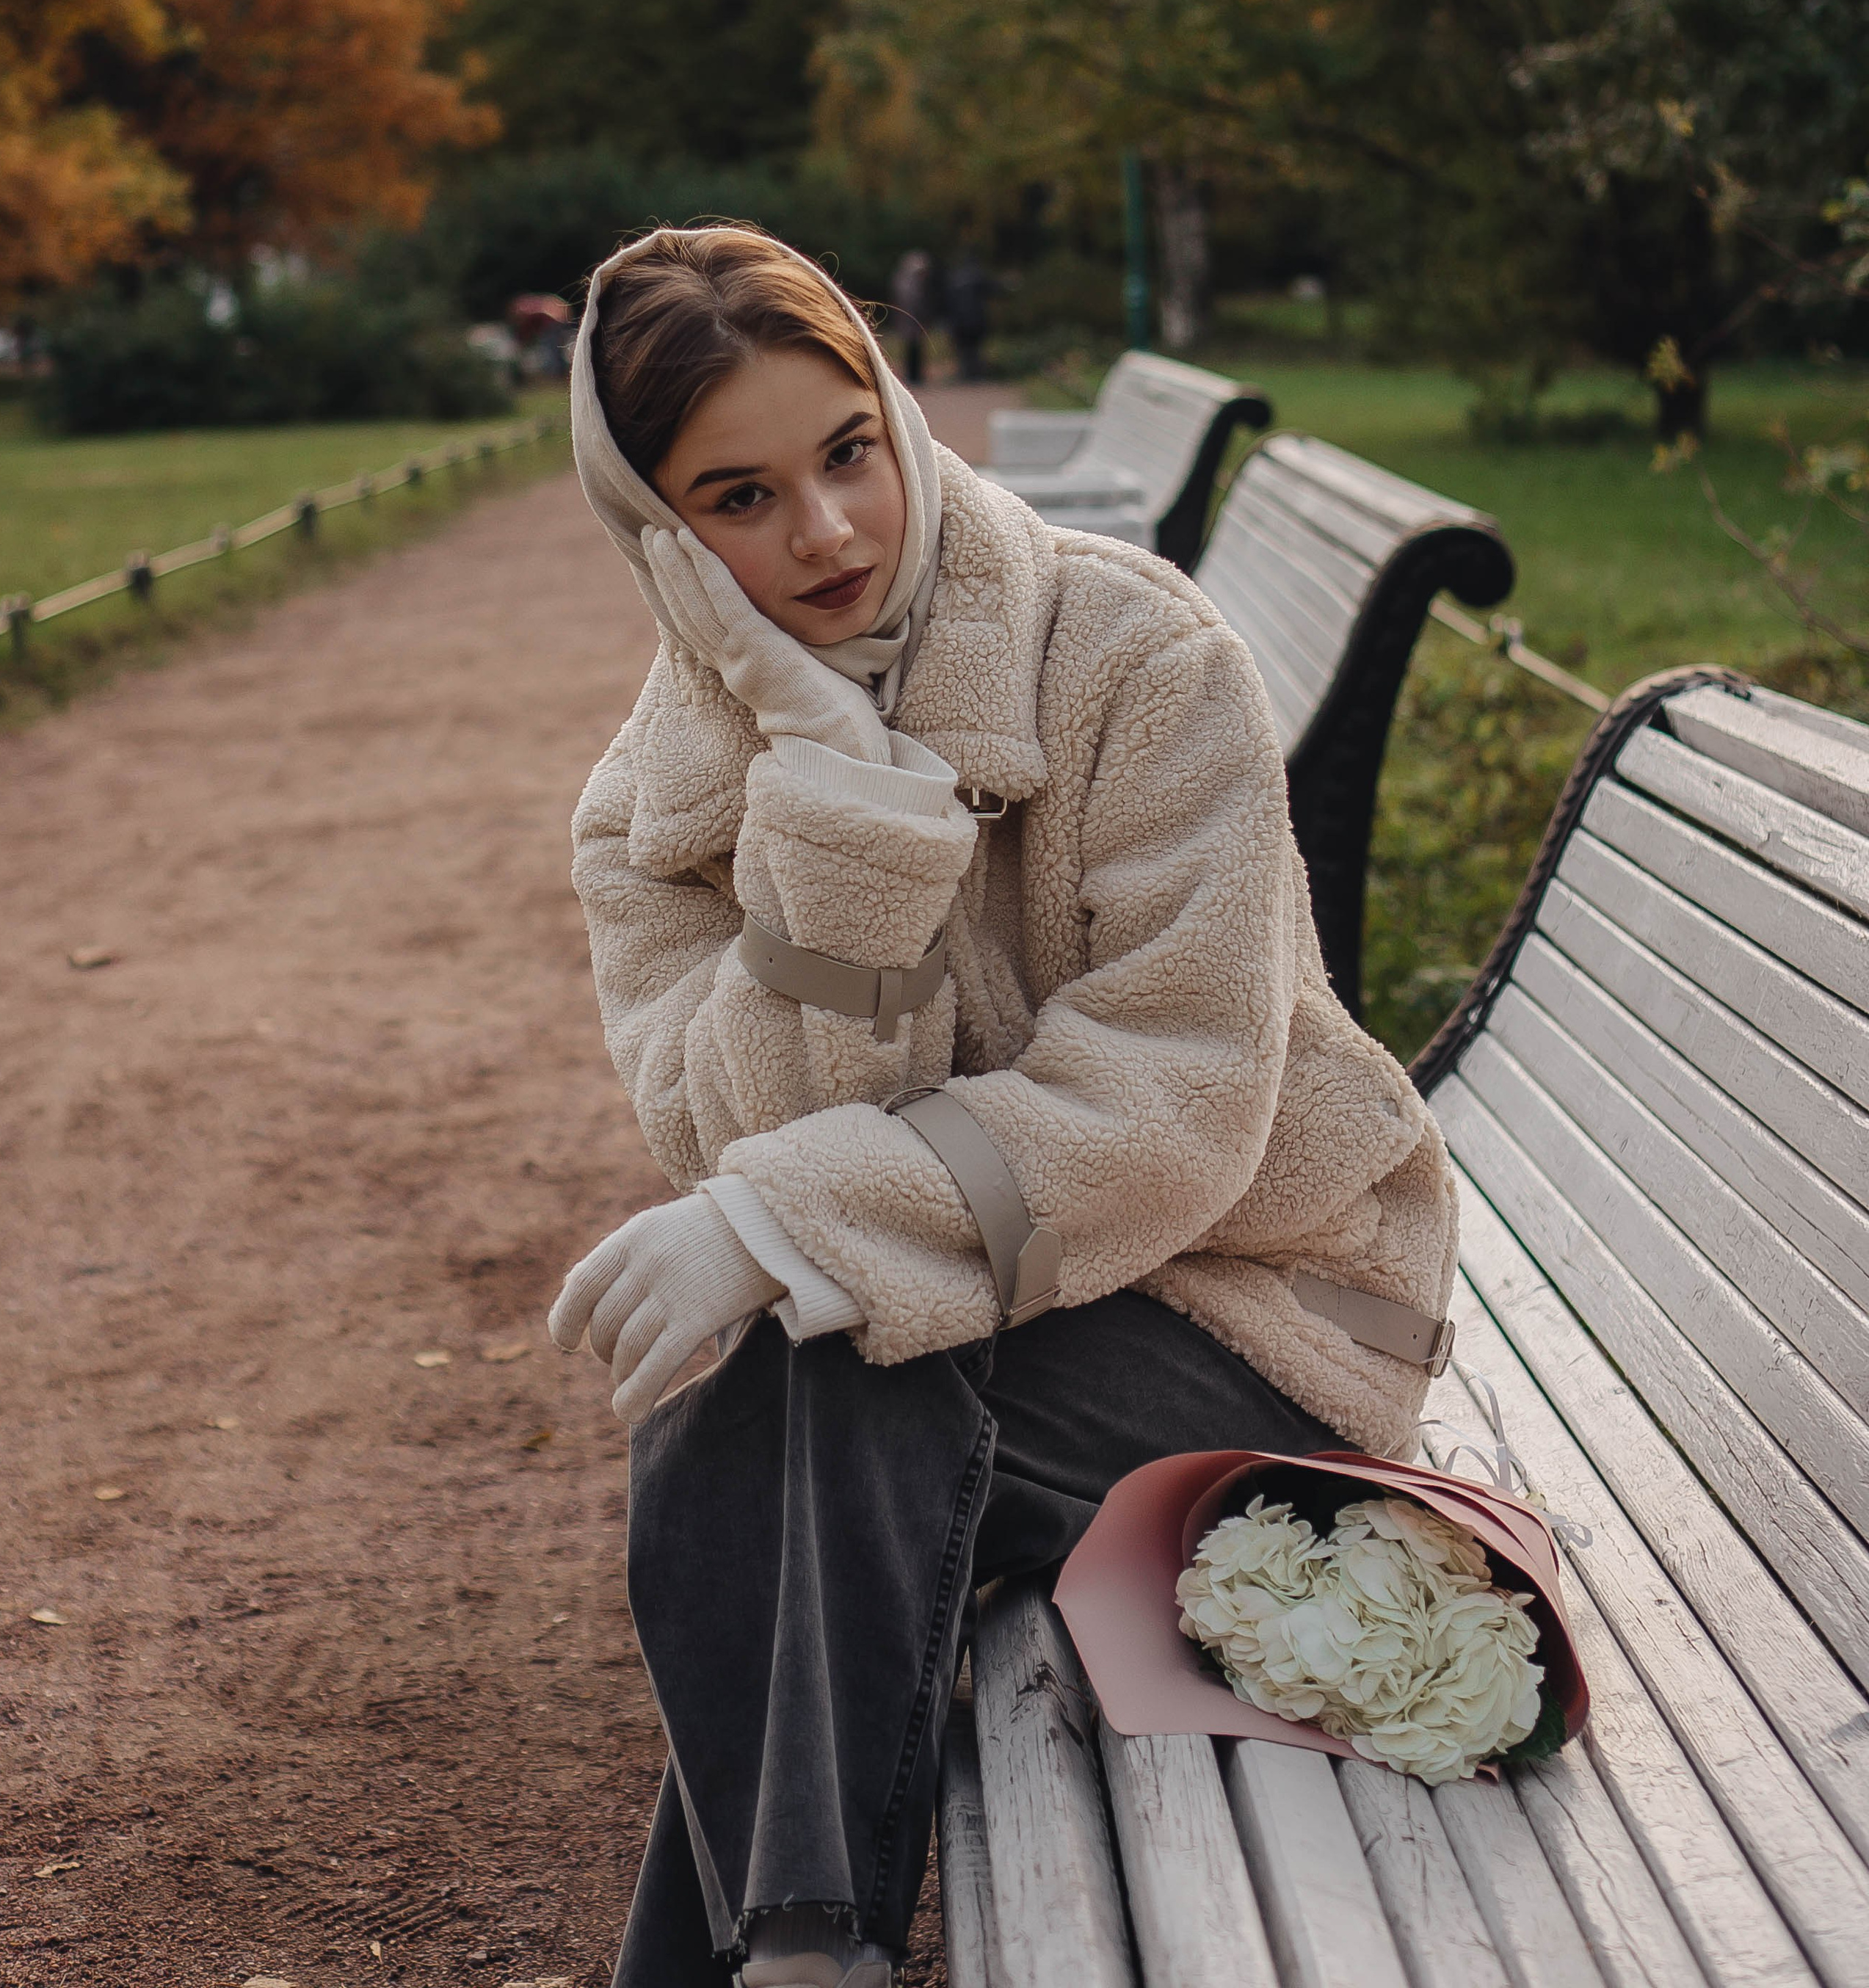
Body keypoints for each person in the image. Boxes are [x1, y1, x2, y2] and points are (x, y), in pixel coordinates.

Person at [551, 226, 1456, 1988]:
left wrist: (784, 1218)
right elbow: (727, 1132)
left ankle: (784, 1954)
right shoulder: (652, 806)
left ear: (896, 414)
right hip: (989, 1351)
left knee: (821, 1348)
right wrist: (832, 793)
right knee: (817, 1360)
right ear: (657, 536)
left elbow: (1178, 1100)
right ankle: (802, 1950)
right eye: (735, 496)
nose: (822, 532)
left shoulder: (1132, 656)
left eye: (846, 451)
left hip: (1269, 1304)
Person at [885, 247, 937, 386]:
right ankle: (914, 376)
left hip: (909, 320)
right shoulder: (908, 282)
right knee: (912, 349)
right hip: (910, 320)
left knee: (915, 348)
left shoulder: (904, 280)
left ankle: (916, 375)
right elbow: (912, 303)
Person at [943, 245, 991, 382]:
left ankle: (966, 373)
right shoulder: (978, 276)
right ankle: (975, 373)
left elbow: (948, 301)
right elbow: (991, 290)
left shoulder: (955, 278)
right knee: (975, 348)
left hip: (959, 321)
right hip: (976, 319)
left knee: (964, 348)